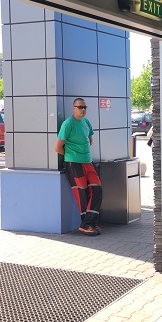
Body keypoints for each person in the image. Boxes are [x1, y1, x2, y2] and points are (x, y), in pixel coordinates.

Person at [54, 98, 103, 236]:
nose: (83, 110)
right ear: (73, 108)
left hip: (88, 162)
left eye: (85, 107)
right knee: (81, 193)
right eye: (80, 107)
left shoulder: (86, 122)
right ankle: (86, 225)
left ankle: (90, 222)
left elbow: (90, 140)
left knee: (97, 190)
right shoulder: (68, 124)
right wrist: (71, 154)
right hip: (74, 163)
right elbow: (58, 148)